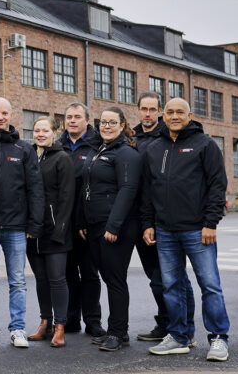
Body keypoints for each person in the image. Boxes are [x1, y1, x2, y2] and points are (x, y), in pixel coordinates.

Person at [142, 98, 230, 362]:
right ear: (163, 116)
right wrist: (148, 223)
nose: (175, 116)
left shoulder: (205, 145)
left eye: (180, 112)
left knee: (210, 285)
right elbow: (148, 190)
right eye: (169, 112)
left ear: (190, 115)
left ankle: (218, 339)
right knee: (172, 286)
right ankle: (180, 336)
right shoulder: (155, 147)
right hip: (165, 231)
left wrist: (210, 223)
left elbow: (217, 185)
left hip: (197, 229)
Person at [0, 98, 44, 349]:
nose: (0, 117)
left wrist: (34, 224)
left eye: (4, 113)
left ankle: (17, 328)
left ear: (11, 114)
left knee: (17, 280)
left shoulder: (23, 149)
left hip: (16, 227)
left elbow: (35, 189)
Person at [132, 92, 196, 343]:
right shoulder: (131, 139)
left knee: (172, 277)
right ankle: (166, 322)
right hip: (140, 219)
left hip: (165, 220)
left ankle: (183, 328)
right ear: (137, 110)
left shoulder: (166, 137)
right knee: (155, 278)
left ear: (160, 112)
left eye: (152, 109)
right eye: (143, 109)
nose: (148, 114)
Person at [78, 106, 141, 351]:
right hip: (95, 226)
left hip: (115, 228)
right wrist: (83, 221)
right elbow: (88, 189)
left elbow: (128, 191)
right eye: (103, 122)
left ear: (123, 125)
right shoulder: (100, 150)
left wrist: (113, 226)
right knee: (108, 278)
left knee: (115, 280)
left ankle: (118, 332)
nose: (106, 126)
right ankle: (116, 329)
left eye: (112, 122)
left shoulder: (126, 154)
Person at [26, 116, 74, 347]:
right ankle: (45, 322)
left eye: (45, 130)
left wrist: (60, 230)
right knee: (41, 280)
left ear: (55, 133)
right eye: (37, 130)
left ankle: (60, 326)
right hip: (33, 231)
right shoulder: (29, 155)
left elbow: (67, 198)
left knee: (57, 280)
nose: (40, 134)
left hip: (56, 231)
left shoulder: (62, 158)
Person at [58, 103, 105, 337]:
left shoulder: (98, 145)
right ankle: (71, 319)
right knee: (67, 273)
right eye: (69, 117)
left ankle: (93, 320)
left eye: (77, 117)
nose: (72, 121)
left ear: (88, 120)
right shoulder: (58, 145)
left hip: (87, 222)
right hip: (64, 222)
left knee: (89, 273)